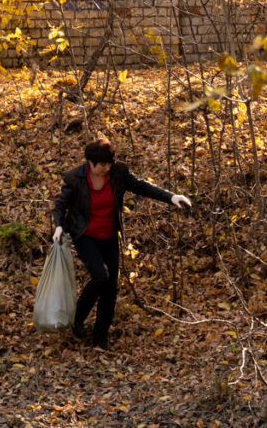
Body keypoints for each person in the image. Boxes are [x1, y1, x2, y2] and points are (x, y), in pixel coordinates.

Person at [52, 138, 192, 351]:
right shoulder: (75, 177)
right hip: (85, 235)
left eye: (109, 163)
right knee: (100, 276)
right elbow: (61, 204)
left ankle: (100, 338)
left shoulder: (118, 172)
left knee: (110, 288)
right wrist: (59, 226)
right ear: (90, 162)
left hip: (108, 235)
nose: (106, 168)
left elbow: (142, 187)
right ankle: (77, 318)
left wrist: (171, 197)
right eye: (102, 165)